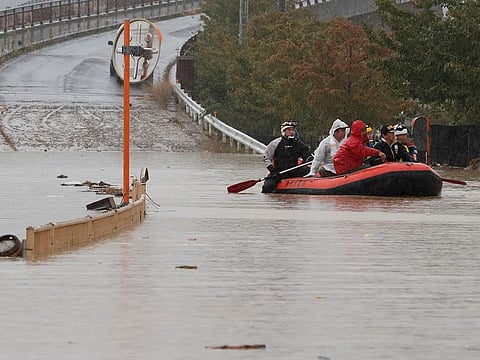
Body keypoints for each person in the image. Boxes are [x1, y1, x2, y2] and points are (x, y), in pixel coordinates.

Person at [262, 121, 312, 193]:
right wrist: (271, 169)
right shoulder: (275, 143)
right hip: (279, 172)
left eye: (293, 130)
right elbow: (266, 157)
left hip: (294, 171)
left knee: (307, 169)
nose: (291, 132)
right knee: (267, 187)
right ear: (284, 131)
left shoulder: (299, 144)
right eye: (289, 130)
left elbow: (308, 157)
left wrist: (310, 163)